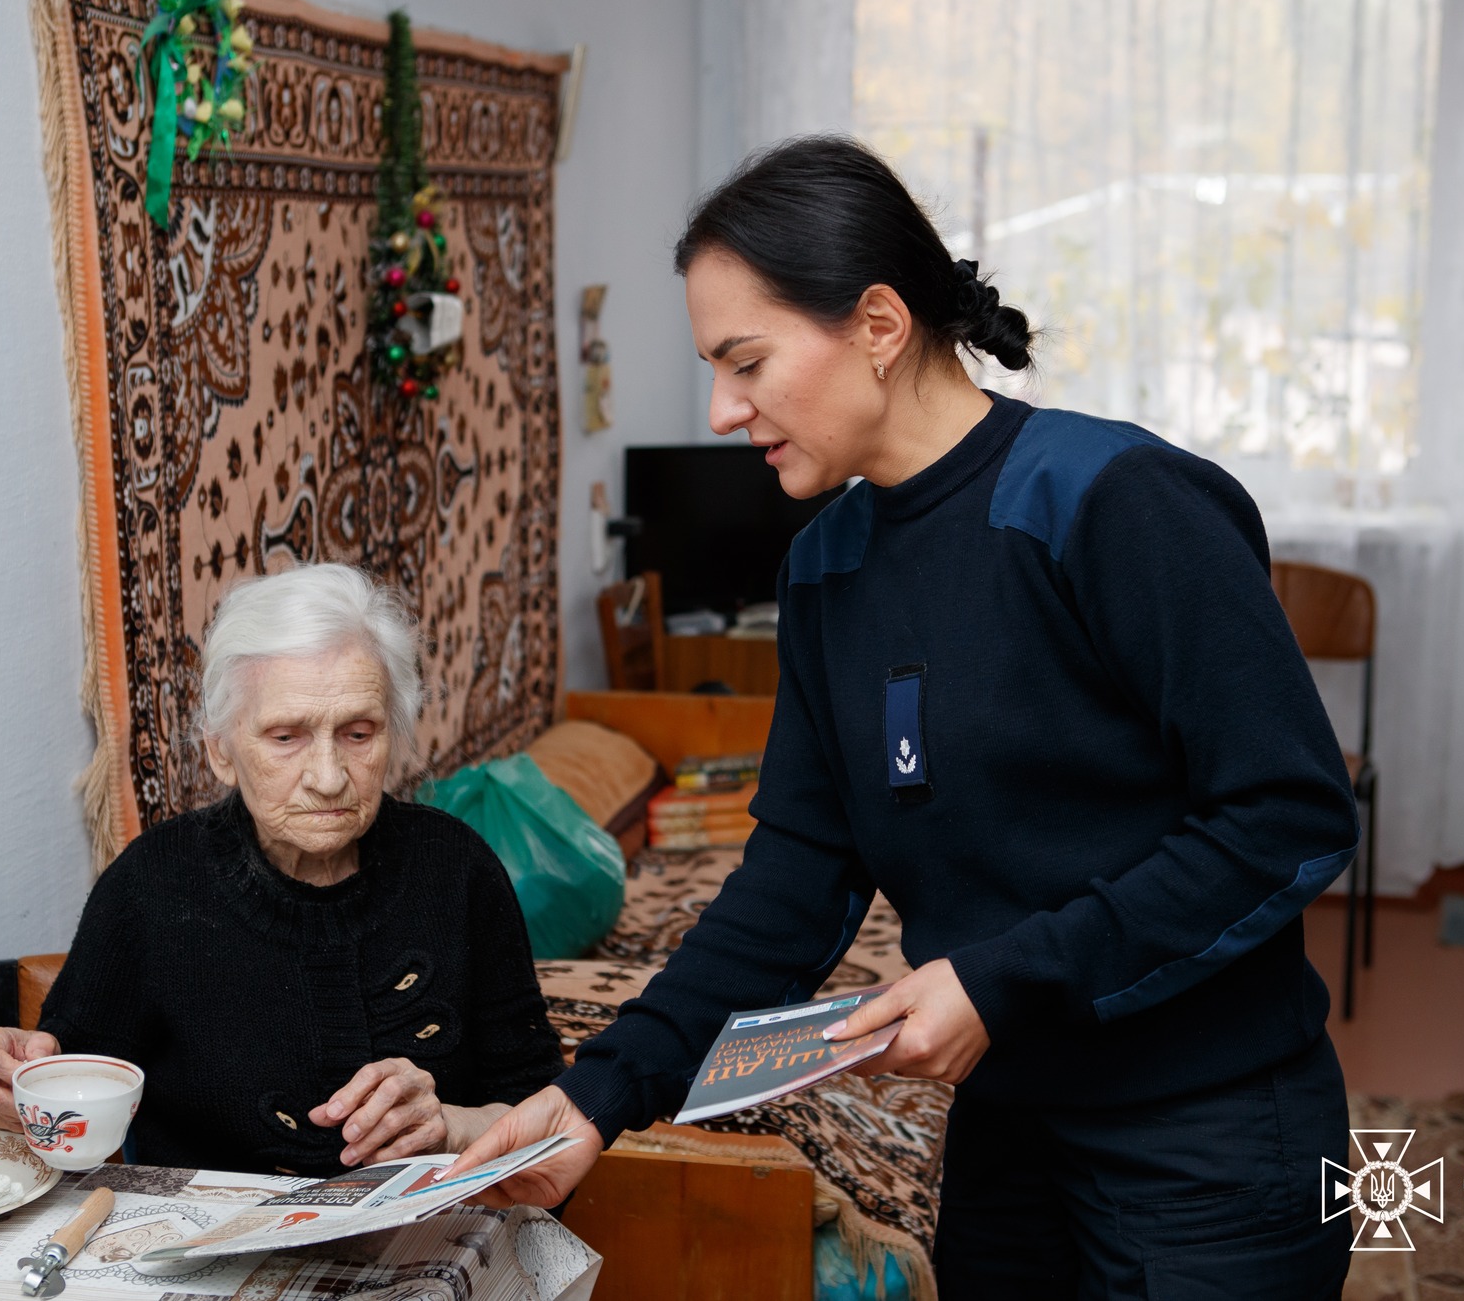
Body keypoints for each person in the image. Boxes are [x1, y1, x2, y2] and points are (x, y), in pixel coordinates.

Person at [441, 136, 1359, 1298]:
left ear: (877, 324)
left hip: (1208, 1139)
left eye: (746, 363)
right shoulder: (827, 567)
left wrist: (999, 981)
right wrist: (595, 1096)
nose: (723, 412)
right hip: (1010, 1136)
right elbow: (792, 884)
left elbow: (1283, 815)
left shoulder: (1111, 503)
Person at [0, 564, 562, 1177]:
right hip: (211, 1263)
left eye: (359, 733)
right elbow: (47, 1125)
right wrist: (2, 1098)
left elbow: (548, 1122)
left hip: (438, 1252)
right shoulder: (154, 887)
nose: (328, 778)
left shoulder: (457, 870)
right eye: (285, 737)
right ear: (221, 751)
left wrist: (451, 1128)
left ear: (395, 738)